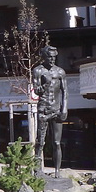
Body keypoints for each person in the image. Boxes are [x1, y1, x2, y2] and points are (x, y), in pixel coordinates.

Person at [32, 45, 67, 175]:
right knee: (40, 141)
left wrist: (64, 109)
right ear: (44, 57)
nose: (52, 60)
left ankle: (57, 171)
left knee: (57, 142)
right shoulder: (38, 71)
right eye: (49, 57)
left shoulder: (60, 72)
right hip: (43, 109)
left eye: (54, 57)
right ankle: (37, 170)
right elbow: (36, 91)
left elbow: (65, 92)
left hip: (57, 109)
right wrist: (45, 83)